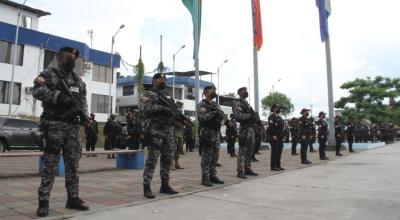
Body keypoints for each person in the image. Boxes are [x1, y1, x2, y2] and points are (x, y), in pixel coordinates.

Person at [33, 47, 89, 217]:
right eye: (69, 56)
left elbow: (82, 101)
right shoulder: (48, 74)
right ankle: (43, 201)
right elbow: (37, 91)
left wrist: (85, 116)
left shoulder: (78, 80)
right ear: (60, 58)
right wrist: (58, 97)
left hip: (72, 127)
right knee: (50, 165)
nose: (73, 58)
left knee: (73, 164)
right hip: (54, 124)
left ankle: (73, 198)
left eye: (75, 56)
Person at [141, 73, 178, 199]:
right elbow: (144, 108)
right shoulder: (148, 93)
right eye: (160, 79)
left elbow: (173, 110)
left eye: (164, 79)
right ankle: (147, 187)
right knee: (152, 159)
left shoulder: (167, 95)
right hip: (155, 130)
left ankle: (165, 185)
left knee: (167, 159)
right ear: (153, 81)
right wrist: (162, 108)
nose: (163, 81)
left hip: (168, 130)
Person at [197, 86, 225, 186]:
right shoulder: (202, 104)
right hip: (206, 134)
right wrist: (214, 113)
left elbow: (222, 117)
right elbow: (203, 117)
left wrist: (222, 118)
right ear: (206, 93)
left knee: (215, 156)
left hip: (216, 133)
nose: (214, 92)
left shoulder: (216, 105)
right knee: (206, 156)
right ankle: (205, 177)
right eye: (211, 91)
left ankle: (213, 175)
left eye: (214, 90)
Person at [232, 87, 258, 179]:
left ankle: (247, 168)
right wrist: (250, 115)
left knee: (250, 150)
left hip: (251, 129)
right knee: (242, 151)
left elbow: (252, 116)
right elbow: (238, 116)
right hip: (244, 129)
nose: (245, 92)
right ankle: (240, 171)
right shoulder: (237, 103)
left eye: (246, 91)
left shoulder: (246, 104)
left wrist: (255, 117)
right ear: (239, 93)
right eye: (243, 91)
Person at [267, 104, 285, 171]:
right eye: (277, 107)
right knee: (274, 151)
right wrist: (273, 135)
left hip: (280, 136)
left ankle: (278, 165)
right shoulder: (271, 117)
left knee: (279, 151)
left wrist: (283, 135)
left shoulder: (279, 117)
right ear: (274, 109)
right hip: (274, 136)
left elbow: (281, 127)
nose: (279, 109)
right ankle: (273, 166)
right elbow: (271, 127)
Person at [172, 101, 185, 170]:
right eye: (179, 106)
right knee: (173, 148)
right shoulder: (173, 112)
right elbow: (171, 121)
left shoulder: (180, 113)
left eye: (180, 107)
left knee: (179, 148)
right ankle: (171, 163)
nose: (180, 108)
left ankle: (177, 163)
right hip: (174, 132)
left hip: (180, 132)